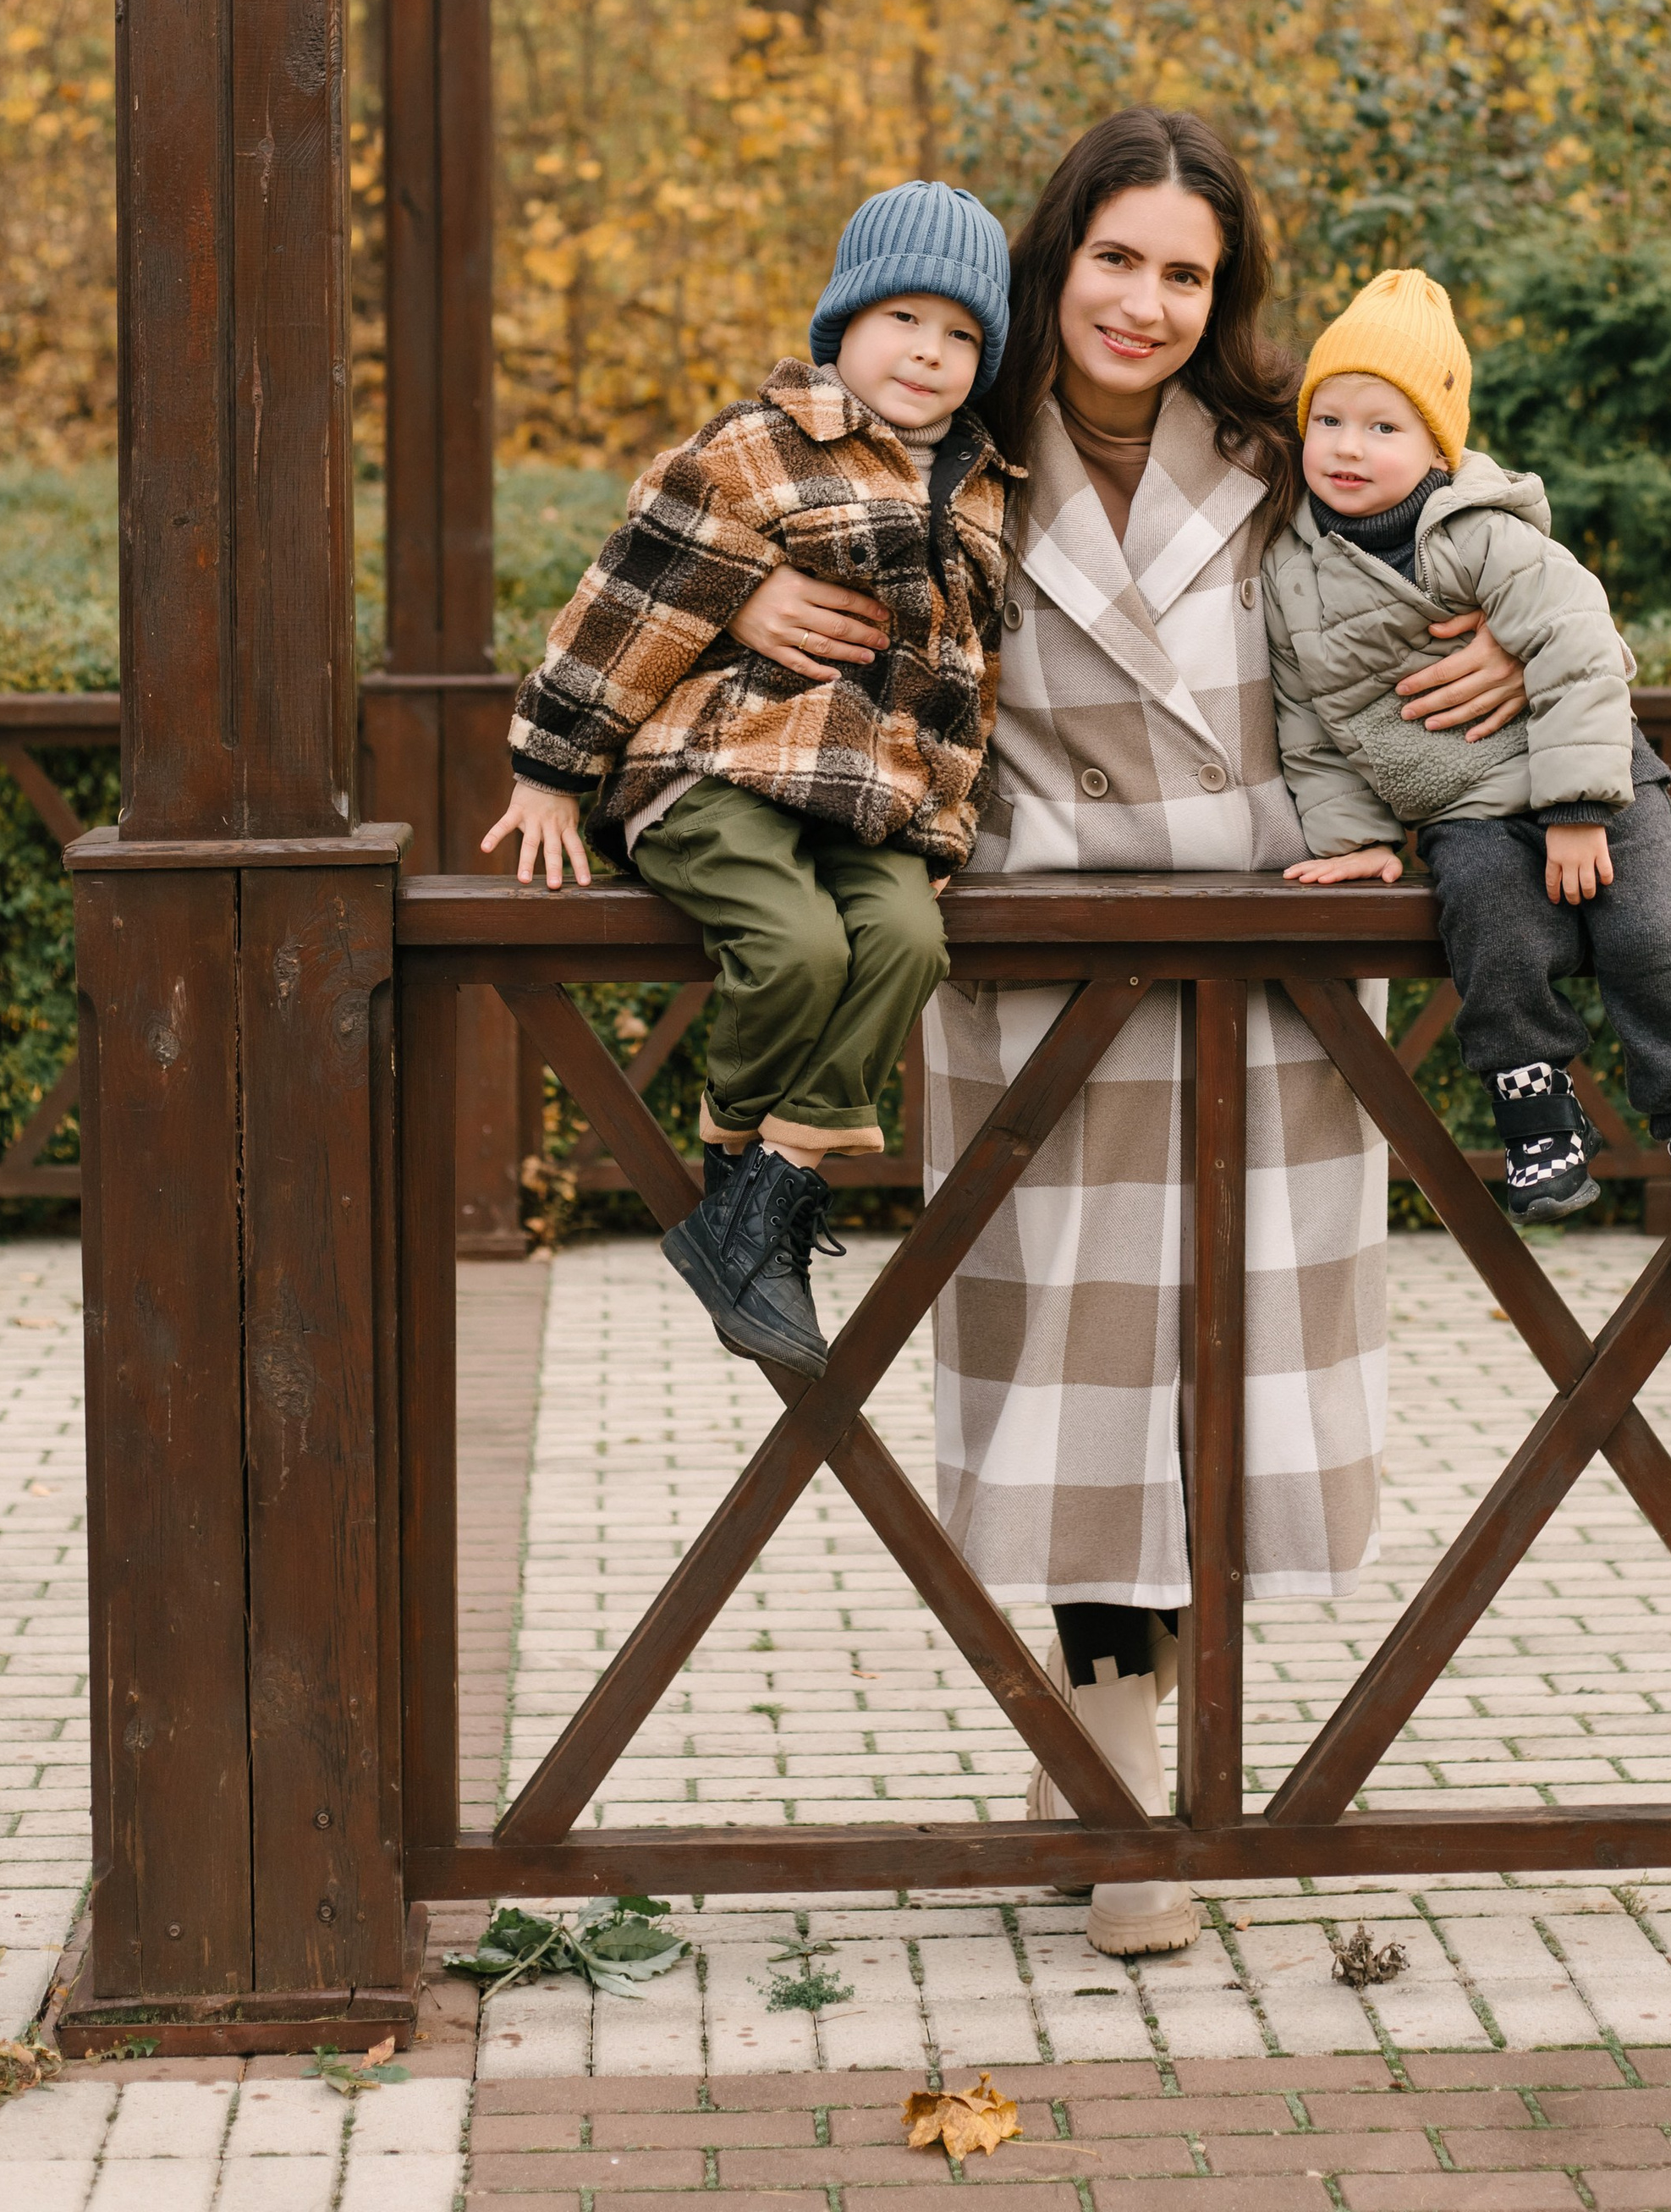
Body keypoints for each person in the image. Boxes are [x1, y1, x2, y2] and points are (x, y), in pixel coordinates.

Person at [723, 111, 1531, 1960]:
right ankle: (1115, 1788)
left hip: (1264, 997)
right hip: (1050, 994)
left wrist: (1508, 644)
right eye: (1115, 260)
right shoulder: (929, 442)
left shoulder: (1282, 459)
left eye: (1186, 273)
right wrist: (743, 599)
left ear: (1221, 295)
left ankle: (1117, 1771)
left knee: (1216, 1399)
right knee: (1091, 1418)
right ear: (1050, 260)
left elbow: (1480, 523)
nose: (1145, 303)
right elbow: (677, 544)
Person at [482, 179, 1018, 1379]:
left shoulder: (983, 490)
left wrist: (939, 833)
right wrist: (550, 771)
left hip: (869, 802)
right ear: (845, 323)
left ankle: (756, 1205)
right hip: (720, 771)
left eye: (963, 334)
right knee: (798, 952)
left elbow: (963, 686)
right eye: (903, 320)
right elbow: (634, 601)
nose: (930, 353)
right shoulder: (759, 447)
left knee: (904, 946)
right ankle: (742, 1179)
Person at [1262, 266, 1671, 1280]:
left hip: (1587, 781)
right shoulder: (1291, 569)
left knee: (1645, 935)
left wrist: (1582, 807)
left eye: (1383, 427)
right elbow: (1310, 722)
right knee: (1487, 924)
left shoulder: (1478, 532)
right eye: (1329, 421)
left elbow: (1581, 647)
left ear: (1436, 446)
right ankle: (1537, 1105)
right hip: (1463, 810)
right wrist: (1355, 840)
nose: (1349, 448)